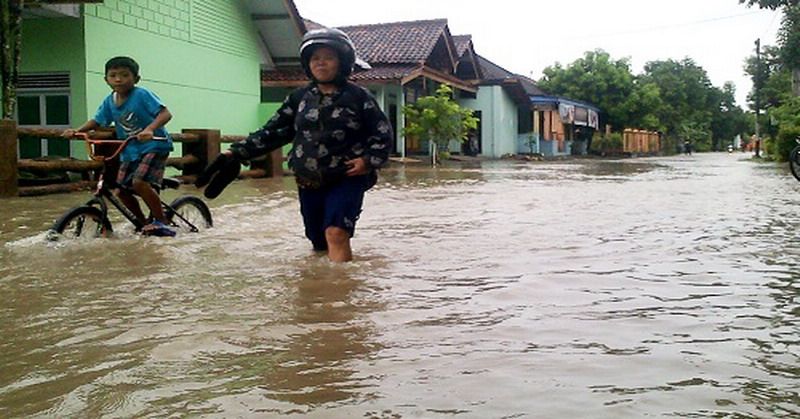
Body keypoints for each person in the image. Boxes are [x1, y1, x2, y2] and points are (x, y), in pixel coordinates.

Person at [196, 28, 392, 262]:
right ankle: (317, 288)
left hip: (346, 176)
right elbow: (273, 131)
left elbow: (382, 133)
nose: (320, 63)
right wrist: (235, 152)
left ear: (343, 62)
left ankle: (340, 294)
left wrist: (368, 161)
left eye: (328, 57)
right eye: (315, 58)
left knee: (336, 233)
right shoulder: (299, 98)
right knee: (318, 240)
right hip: (308, 180)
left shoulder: (359, 97)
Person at [62, 56, 175, 236]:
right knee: (120, 191)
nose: (118, 79)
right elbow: (97, 121)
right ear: (106, 79)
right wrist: (77, 131)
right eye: (113, 75)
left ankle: (161, 221)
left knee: (139, 182)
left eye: (124, 75)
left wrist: (150, 129)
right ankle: (143, 222)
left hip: (154, 145)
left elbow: (165, 113)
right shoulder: (110, 101)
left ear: (136, 79)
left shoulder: (142, 94)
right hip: (129, 149)